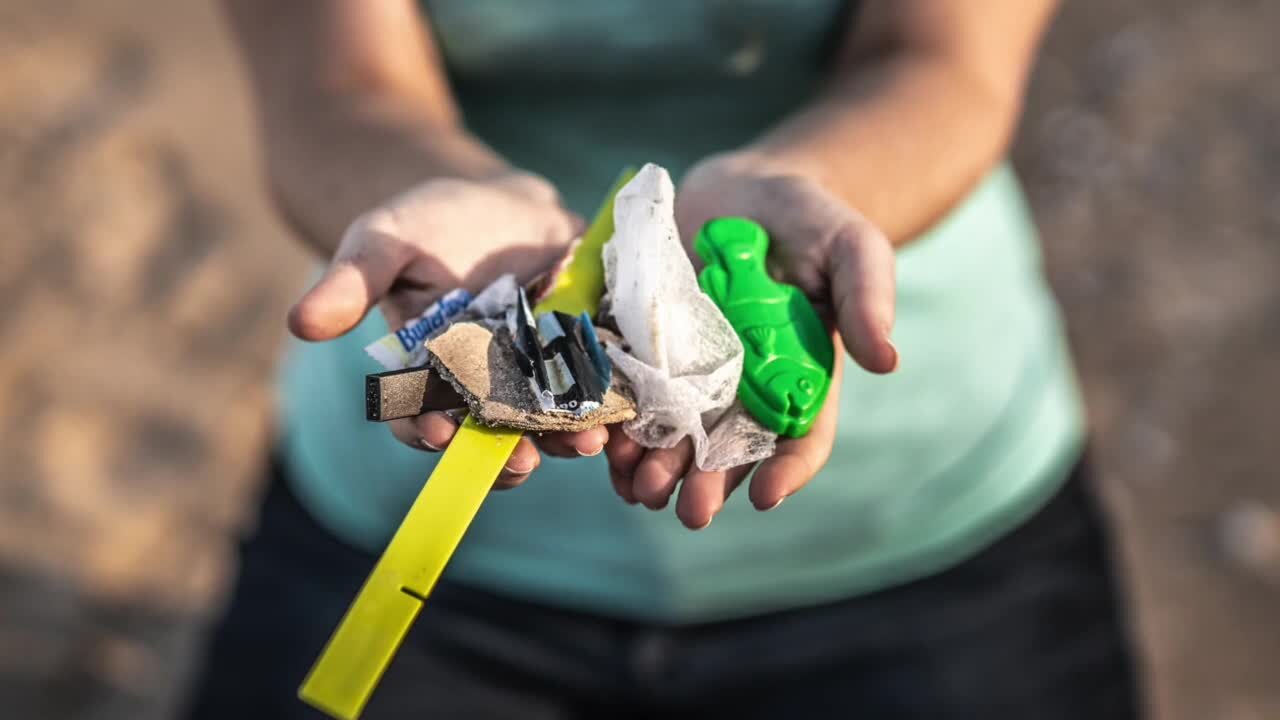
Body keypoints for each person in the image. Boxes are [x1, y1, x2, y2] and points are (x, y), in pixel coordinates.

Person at [189, 1, 1141, 717]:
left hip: (936, 536)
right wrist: (432, 197)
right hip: (404, 537)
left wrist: (801, 190)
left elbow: (946, 61)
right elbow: (333, 88)